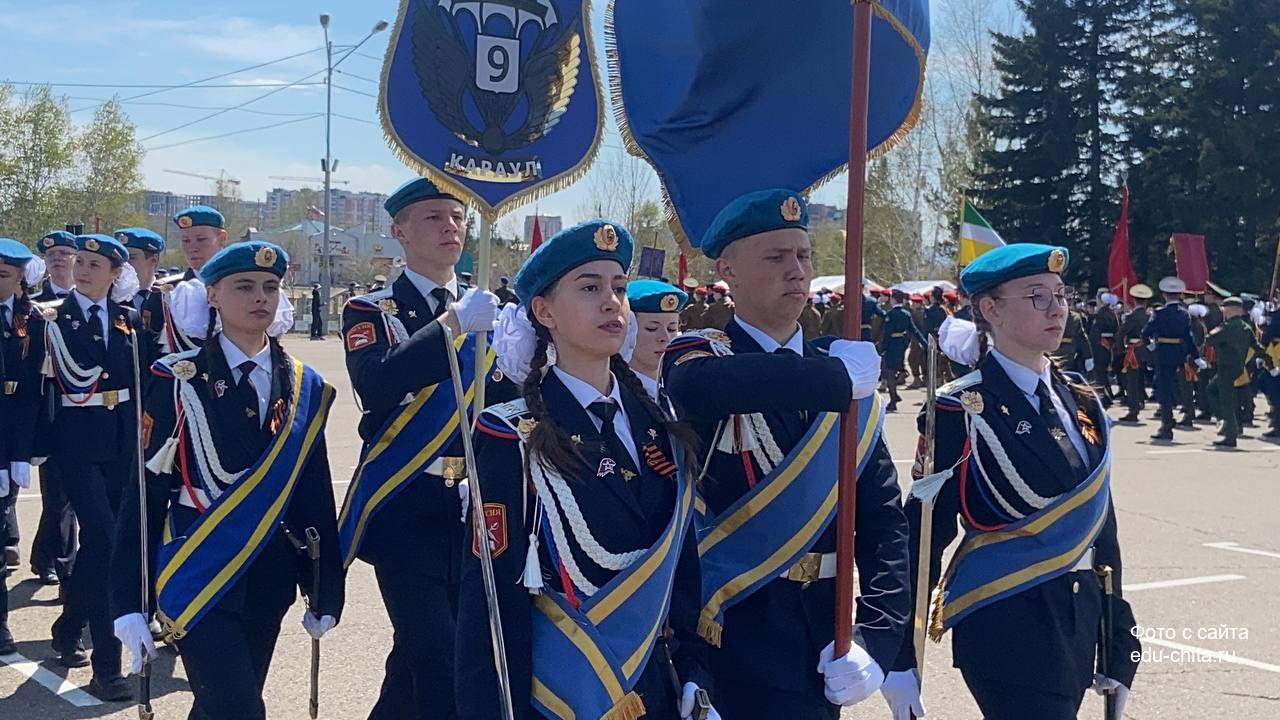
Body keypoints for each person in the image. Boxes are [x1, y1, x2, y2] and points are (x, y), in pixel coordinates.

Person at [662, 189, 910, 720]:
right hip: (729, 640)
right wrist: (836, 378)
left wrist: (883, 637)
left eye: (803, 255)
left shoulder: (840, 370)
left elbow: (884, 521)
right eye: (775, 257)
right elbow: (702, 388)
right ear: (727, 270)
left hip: (823, 641)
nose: (796, 271)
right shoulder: (702, 356)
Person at [457, 219, 716, 719]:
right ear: (545, 311)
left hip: (656, 687)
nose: (612, 302)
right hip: (562, 695)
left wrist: (695, 673)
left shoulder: (661, 422)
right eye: (590, 288)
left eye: (619, 288)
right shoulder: (513, 435)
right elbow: (490, 602)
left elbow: (682, 566)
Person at [889, 243, 1140, 720]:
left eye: (1060, 295)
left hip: (1078, 622)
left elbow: (1101, 528)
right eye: (1037, 296)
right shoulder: (958, 408)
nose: (1057, 309)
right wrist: (901, 653)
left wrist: (1118, 640)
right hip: (1006, 624)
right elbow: (923, 536)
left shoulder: (1081, 400)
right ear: (991, 310)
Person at [111, 241, 344, 720]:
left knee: (221, 706)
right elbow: (145, 494)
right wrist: (129, 599)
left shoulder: (305, 385)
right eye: (244, 287)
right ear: (213, 295)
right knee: (239, 709)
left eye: (270, 287)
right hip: (197, 567)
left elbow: (313, 493)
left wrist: (325, 588)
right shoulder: (178, 379)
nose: (260, 297)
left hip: (268, 571)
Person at [337, 178, 498, 720]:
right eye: (433, 217)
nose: (450, 226)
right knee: (441, 663)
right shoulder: (372, 310)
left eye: (457, 216)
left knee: (413, 665)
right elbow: (377, 382)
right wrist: (452, 324)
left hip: (473, 508)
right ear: (399, 231)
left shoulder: (490, 307)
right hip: (406, 506)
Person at [44, 234, 146, 699]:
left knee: (102, 546)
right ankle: (108, 667)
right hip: (76, 446)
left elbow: (139, 383)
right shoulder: (53, 319)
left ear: (115, 274)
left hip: (122, 445)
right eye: (80, 262)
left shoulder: (129, 320)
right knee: (107, 539)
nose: (83, 271)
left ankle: (69, 626)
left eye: (94, 265)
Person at [0, 238, 49, 654]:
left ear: (20, 277)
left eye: (2, 274)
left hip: (12, 433)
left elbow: (33, 390)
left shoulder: (32, 321)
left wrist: (21, 452)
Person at [29, 230, 79, 587]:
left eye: (64, 253)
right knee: (57, 496)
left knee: (72, 497)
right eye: (52, 255)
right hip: (49, 409)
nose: (58, 259)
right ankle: (64, 568)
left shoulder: (90, 300)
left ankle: (43, 556)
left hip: (87, 409)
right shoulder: (33, 305)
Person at [1143, 277, 1202, 440]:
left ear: (1164, 295)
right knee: (1181, 385)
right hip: (1179, 353)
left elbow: (1145, 333)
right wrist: (1196, 356)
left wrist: (1152, 347)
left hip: (1163, 353)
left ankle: (1167, 425)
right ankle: (1182, 412)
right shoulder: (1184, 314)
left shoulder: (1159, 313)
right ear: (1180, 295)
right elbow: (1189, 337)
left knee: (1164, 388)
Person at [1205, 297, 1267, 448]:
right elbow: (1256, 346)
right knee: (1212, 389)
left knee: (1226, 400)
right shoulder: (1246, 327)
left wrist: (1218, 327)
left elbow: (1209, 339)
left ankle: (1230, 433)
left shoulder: (1227, 327)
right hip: (1238, 367)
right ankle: (1224, 420)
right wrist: (1268, 359)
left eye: (1225, 309)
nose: (1223, 312)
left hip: (1226, 367)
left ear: (1230, 310)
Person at [627, 279, 686, 401]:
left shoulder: (681, 388)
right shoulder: (617, 393)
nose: (665, 338)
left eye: (672, 329)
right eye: (652, 328)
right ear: (628, 330)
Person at [882, 289, 927, 412]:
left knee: (889, 372)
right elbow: (914, 330)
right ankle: (895, 395)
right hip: (901, 344)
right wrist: (925, 343)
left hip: (891, 345)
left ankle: (893, 399)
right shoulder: (906, 314)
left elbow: (887, 333)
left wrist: (882, 348)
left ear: (893, 299)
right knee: (896, 368)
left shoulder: (890, 314)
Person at [1116, 284, 1153, 423]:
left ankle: (1133, 410)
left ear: (1134, 301)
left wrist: (1121, 350)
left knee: (1132, 381)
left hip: (1134, 352)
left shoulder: (1131, 317)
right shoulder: (1150, 317)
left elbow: (1120, 334)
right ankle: (1141, 400)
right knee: (1141, 379)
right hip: (1147, 350)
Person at [1089, 293, 1119, 404]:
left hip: (1100, 345)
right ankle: (1108, 393)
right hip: (1109, 345)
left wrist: (1091, 347)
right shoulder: (1112, 314)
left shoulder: (1100, 314)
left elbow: (1094, 333)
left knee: (1100, 372)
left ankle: (1105, 395)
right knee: (1104, 371)